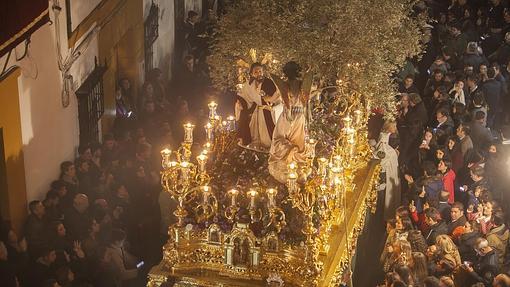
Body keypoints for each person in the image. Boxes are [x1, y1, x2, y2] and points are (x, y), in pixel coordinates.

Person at [269, 61, 313, 183]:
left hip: (287, 116)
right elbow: (309, 97)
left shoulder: (284, 86)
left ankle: (286, 162)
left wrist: (262, 96)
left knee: (280, 137)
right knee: (299, 141)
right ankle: (298, 165)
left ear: (286, 73)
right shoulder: (303, 85)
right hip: (299, 116)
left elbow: (273, 99)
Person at [237, 62, 280, 150]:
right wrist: (240, 103)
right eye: (256, 72)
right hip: (257, 110)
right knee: (255, 133)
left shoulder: (268, 82)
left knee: (269, 132)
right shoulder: (249, 84)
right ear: (252, 73)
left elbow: (275, 96)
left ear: (263, 72)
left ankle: (270, 147)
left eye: (260, 71)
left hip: (268, 110)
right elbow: (244, 96)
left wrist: (271, 102)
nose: (259, 74)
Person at [375, 121, 401, 220]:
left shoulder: (388, 137)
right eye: (393, 125)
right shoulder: (383, 139)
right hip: (386, 174)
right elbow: (381, 156)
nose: (395, 127)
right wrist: (393, 153)